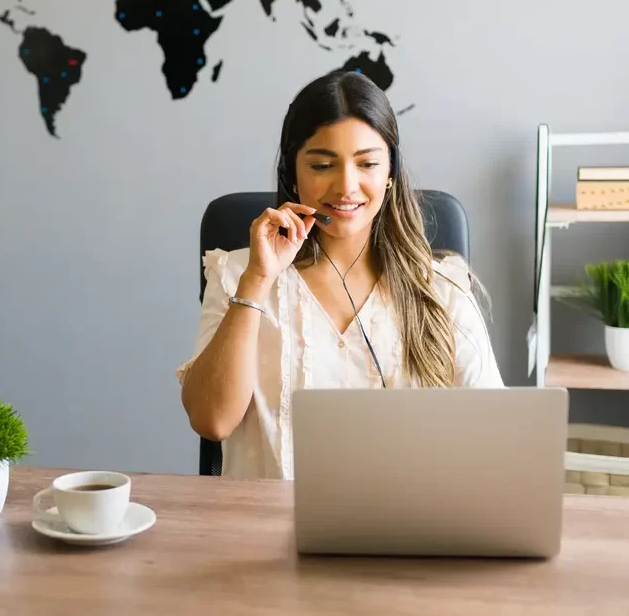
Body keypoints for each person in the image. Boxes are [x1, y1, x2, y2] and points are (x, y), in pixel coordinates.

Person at [176, 70, 504, 480]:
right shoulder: (239, 274)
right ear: (292, 174)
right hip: (260, 535)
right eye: (322, 164)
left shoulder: (442, 288)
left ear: (390, 173)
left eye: (367, 163)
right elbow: (211, 421)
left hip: (408, 531)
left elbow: (494, 441)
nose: (346, 186)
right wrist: (258, 281)